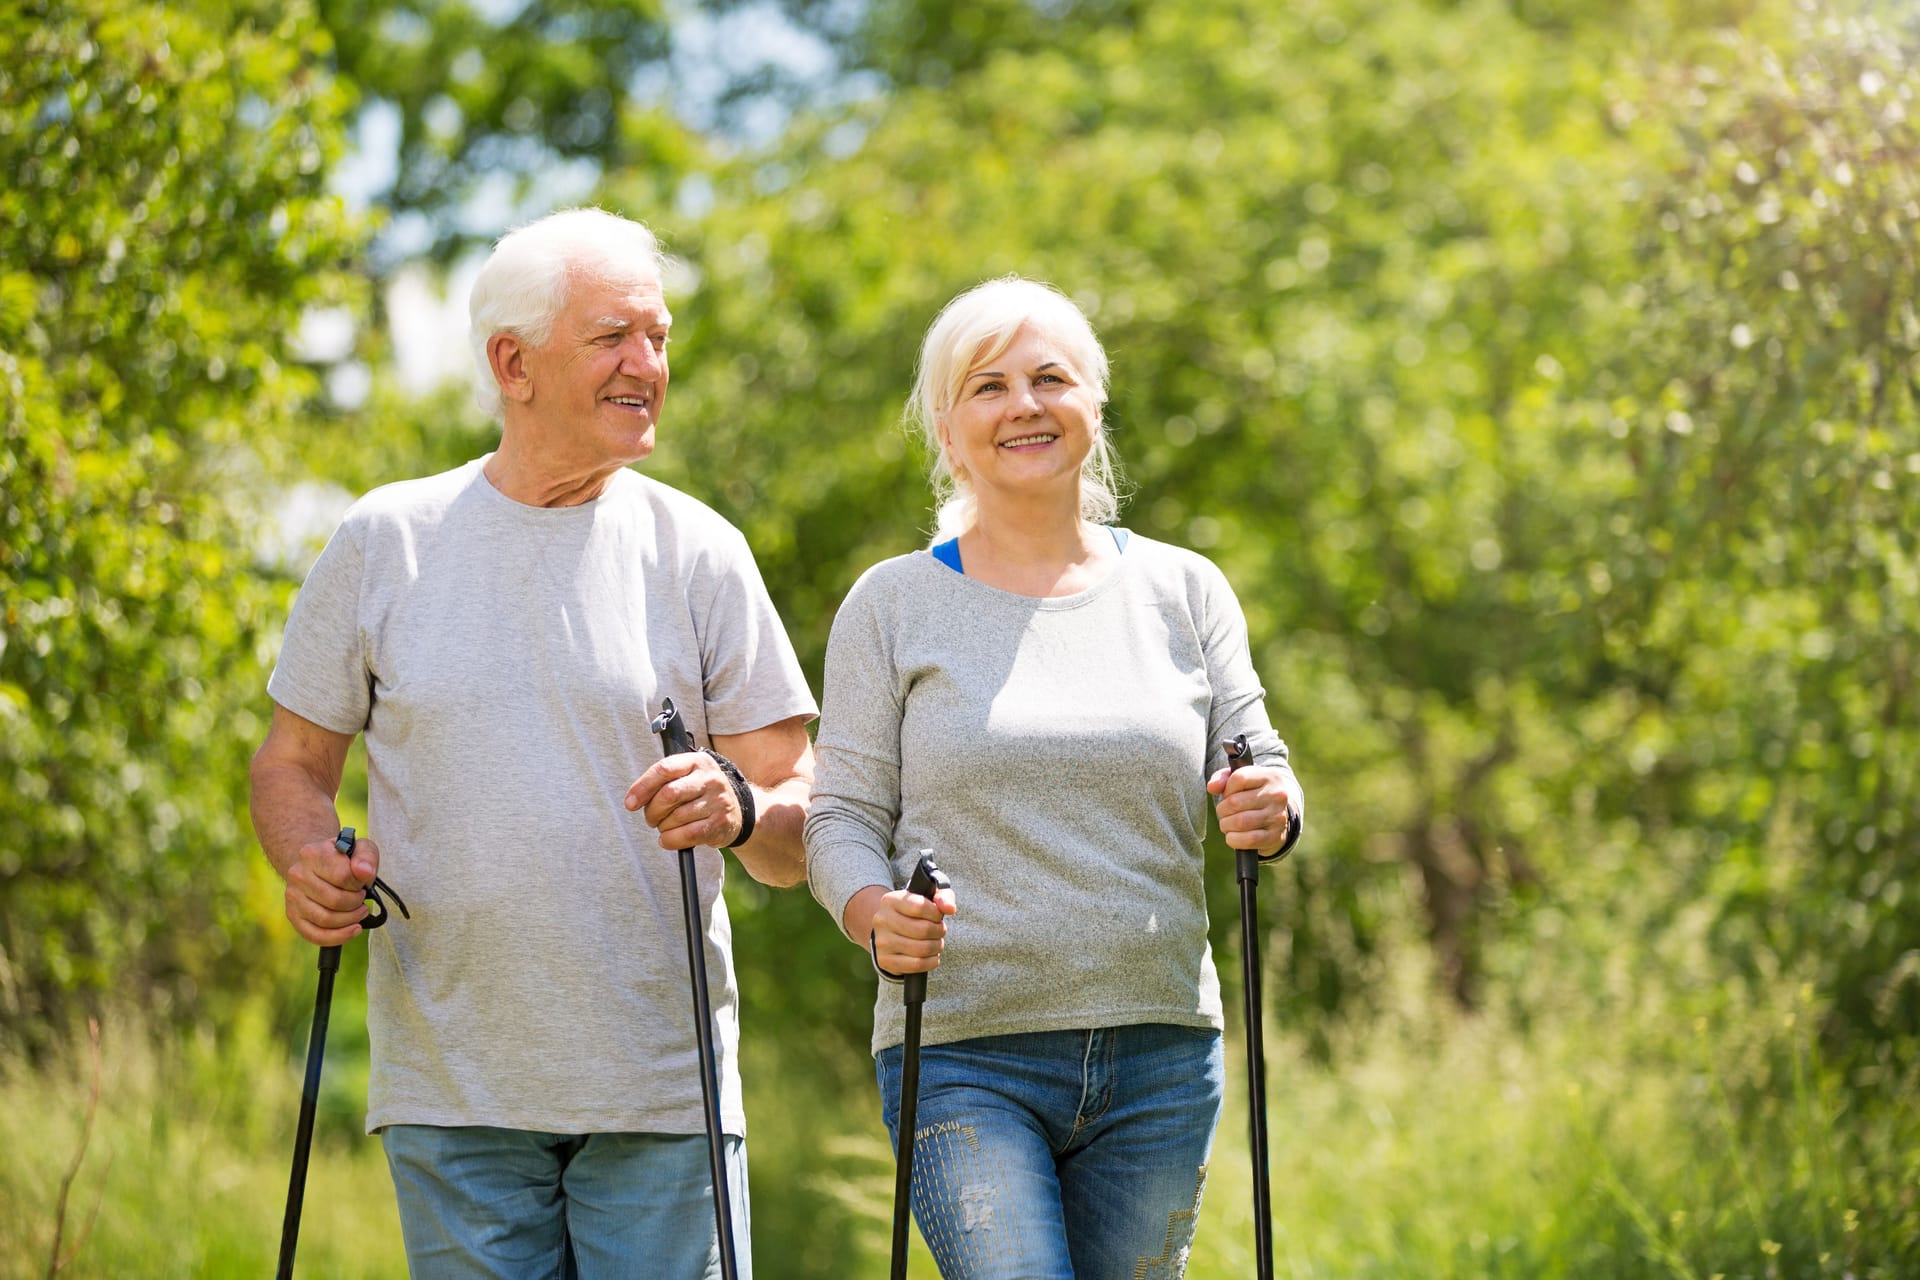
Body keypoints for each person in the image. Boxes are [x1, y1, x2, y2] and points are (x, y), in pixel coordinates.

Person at [249, 207, 816, 1278]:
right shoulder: (386, 540)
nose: (647, 363)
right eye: (613, 336)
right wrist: (305, 858)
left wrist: (741, 804)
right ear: (514, 361)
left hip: (664, 1095)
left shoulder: (700, 551)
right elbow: (292, 764)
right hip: (454, 1096)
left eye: (657, 337)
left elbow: (797, 822)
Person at [804, 276, 1304, 1279]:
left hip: (1160, 1048)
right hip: (962, 1051)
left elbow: (1262, 765)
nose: (1023, 404)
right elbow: (842, 817)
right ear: (947, 430)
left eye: (1049, 378)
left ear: (1093, 404)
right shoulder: (890, 605)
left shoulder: (1184, 589)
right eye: (988, 386)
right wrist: (872, 911)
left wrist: (1274, 809)